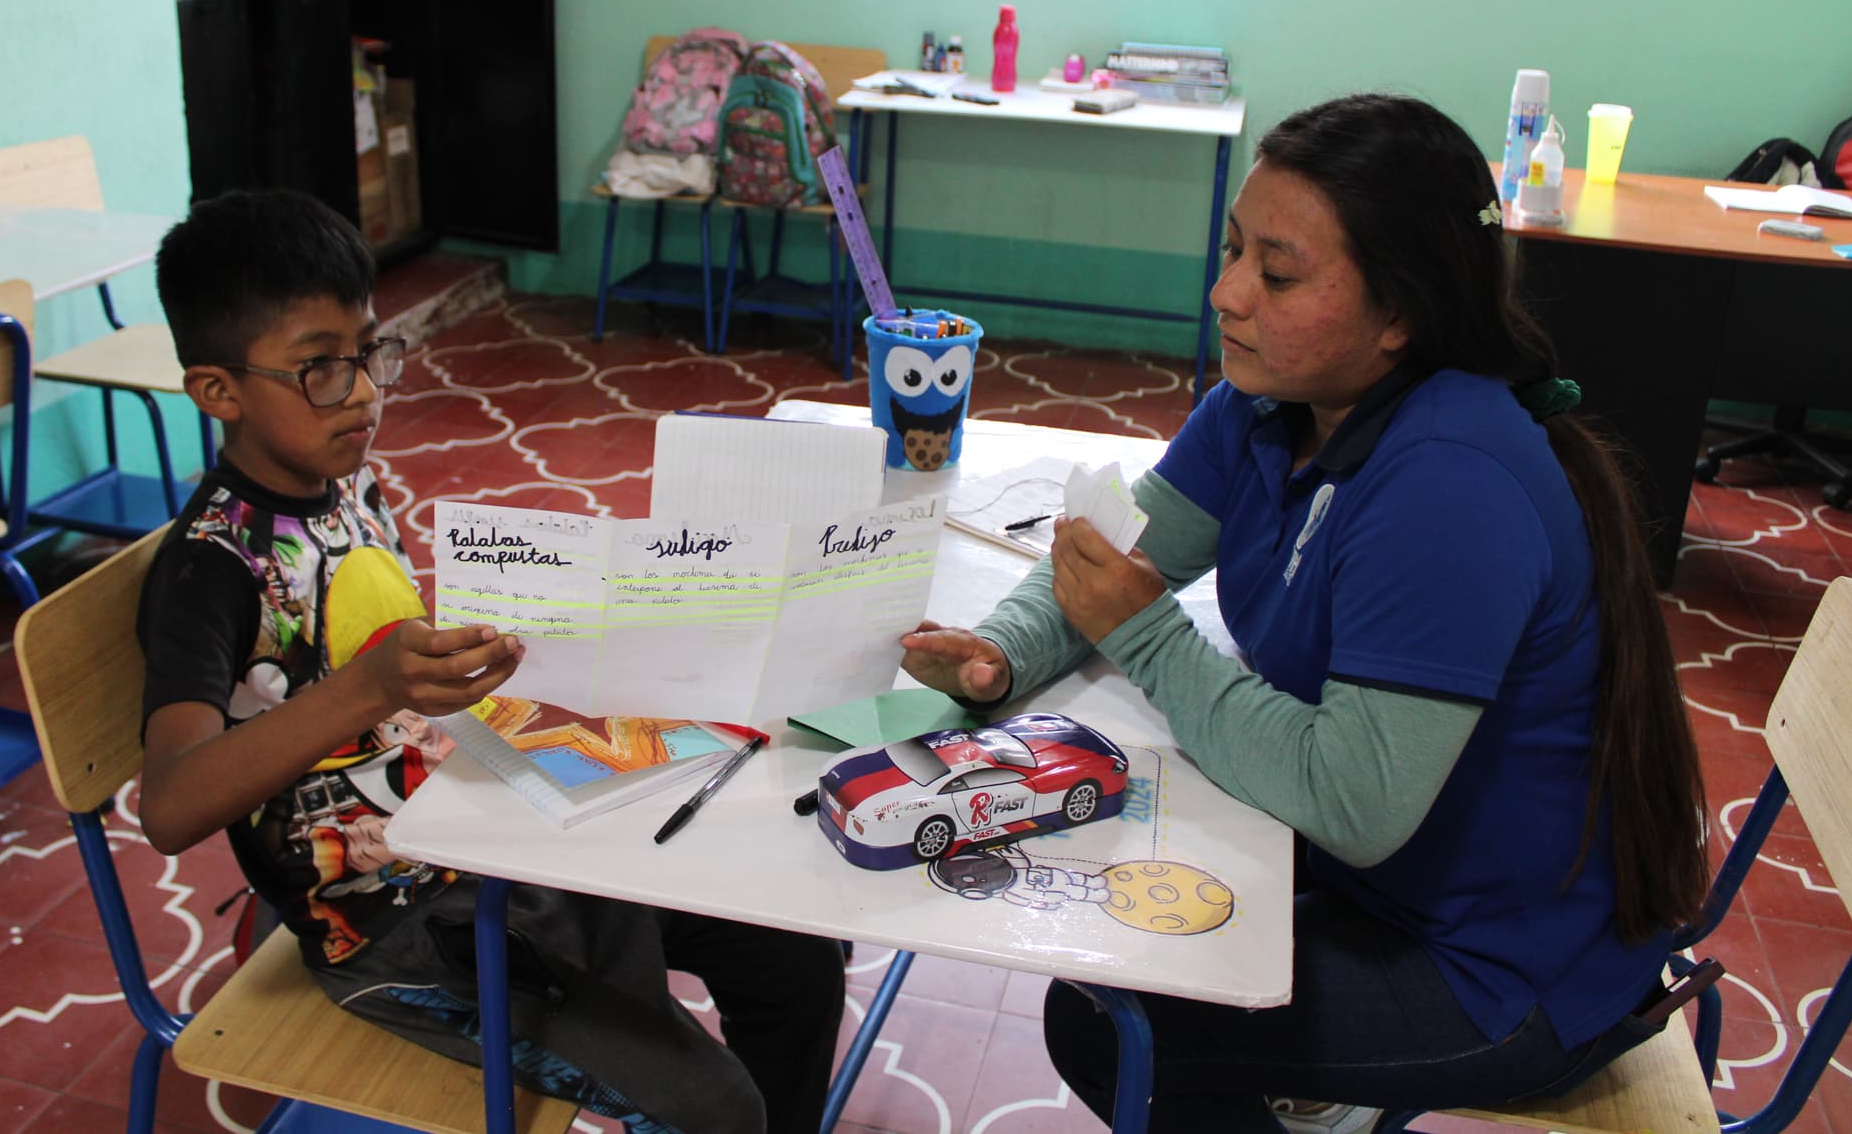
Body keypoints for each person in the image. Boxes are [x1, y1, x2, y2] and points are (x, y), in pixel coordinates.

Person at [899, 94, 1709, 1133]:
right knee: (1103, 904)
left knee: (1110, 1025)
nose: (1225, 293)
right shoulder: (1264, 402)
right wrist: (999, 655)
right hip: (1368, 879)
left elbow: (1352, 801)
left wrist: (1143, 633)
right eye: (1234, 250)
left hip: (1493, 962)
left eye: (1275, 274)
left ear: (1400, 313)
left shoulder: (1448, 483)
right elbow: (1121, 556)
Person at [136, 190, 843, 1134]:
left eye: (367, 353)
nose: (362, 391)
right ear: (216, 389)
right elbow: (171, 804)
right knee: (718, 1110)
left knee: (794, 953)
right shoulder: (207, 569)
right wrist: (371, 686)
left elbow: (394, 677)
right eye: (318, 369)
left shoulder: (343, 485)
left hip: (496, 833)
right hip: (397, 928)